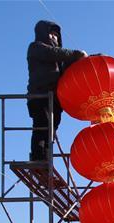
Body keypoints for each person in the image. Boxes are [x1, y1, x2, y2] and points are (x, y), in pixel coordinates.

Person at [27, 20, 87, 161]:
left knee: (51, 130)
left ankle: (46, 159)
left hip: (55, 99)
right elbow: (52, 53)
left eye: (56, 35)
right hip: (40, 96)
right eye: (51, 34)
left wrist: (94, 57)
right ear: (42, 34)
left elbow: (70, 62)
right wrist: (77, 54)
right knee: (42, 127)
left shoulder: (59, 59)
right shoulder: (36, 48)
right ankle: (37, 158)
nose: (54, 37)